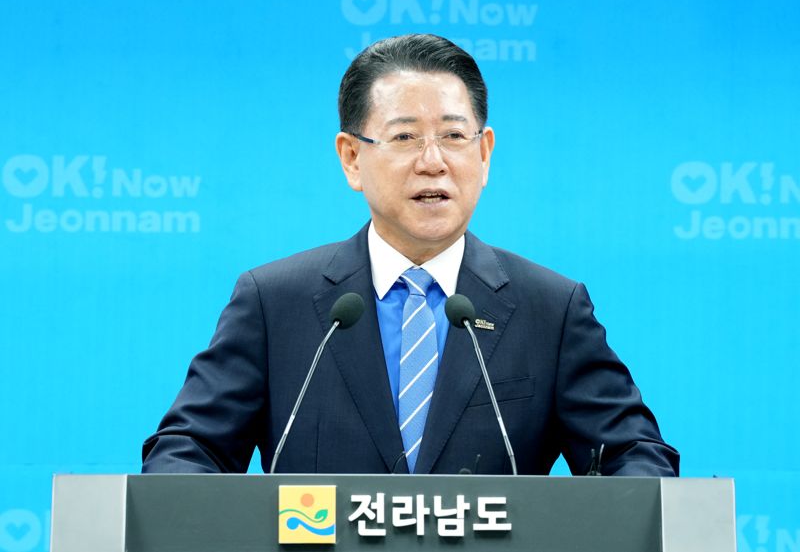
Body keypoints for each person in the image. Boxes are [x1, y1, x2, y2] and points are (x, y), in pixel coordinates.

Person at [142, 34, 679, 476]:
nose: (433, 161)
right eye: (405, 138)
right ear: (352, 158)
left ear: (485, 153)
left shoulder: (551, 309)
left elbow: (636, 457)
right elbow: (186, 452)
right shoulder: (274, 303)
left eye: (454, 136)